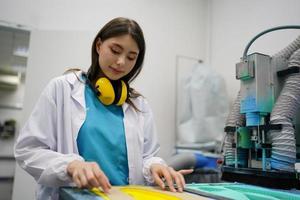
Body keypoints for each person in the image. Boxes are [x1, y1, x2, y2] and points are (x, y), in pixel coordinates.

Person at [14, 17, 193, 200]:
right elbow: (28, 150)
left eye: (131, 57)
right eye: (115, 51)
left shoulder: (139, 104)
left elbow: (147, 156)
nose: (121, 62)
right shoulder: (62, 89)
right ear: (99, 45)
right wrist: (70, 165)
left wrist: (156, 166)